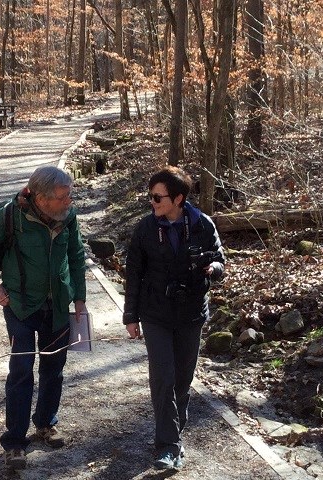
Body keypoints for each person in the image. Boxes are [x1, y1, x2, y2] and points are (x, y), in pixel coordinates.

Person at [0, 166, 87, 470]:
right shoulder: (10, 216)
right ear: (41, 199)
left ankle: (45, 423)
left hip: (58, 305)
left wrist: (80, 299)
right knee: (21, 371)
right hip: (20, 306)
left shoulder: (68, 216)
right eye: (62, 197)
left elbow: (76, 255)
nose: (68, 201)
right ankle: (15, 441)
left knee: (54, 368)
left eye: (70, 194)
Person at [122, 166, 225, 471]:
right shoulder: (144, 229)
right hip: (155, 314)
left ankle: (174, 436)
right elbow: (134, 275)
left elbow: (219, 258)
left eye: (158, 197)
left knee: (182, 379)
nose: (152, 202)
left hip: (191, 314)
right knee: (162, 379)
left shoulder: (202, 225)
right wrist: (131, 316)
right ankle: (167, 446)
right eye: (150, 196)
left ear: (178, 199)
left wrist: (213, 270)